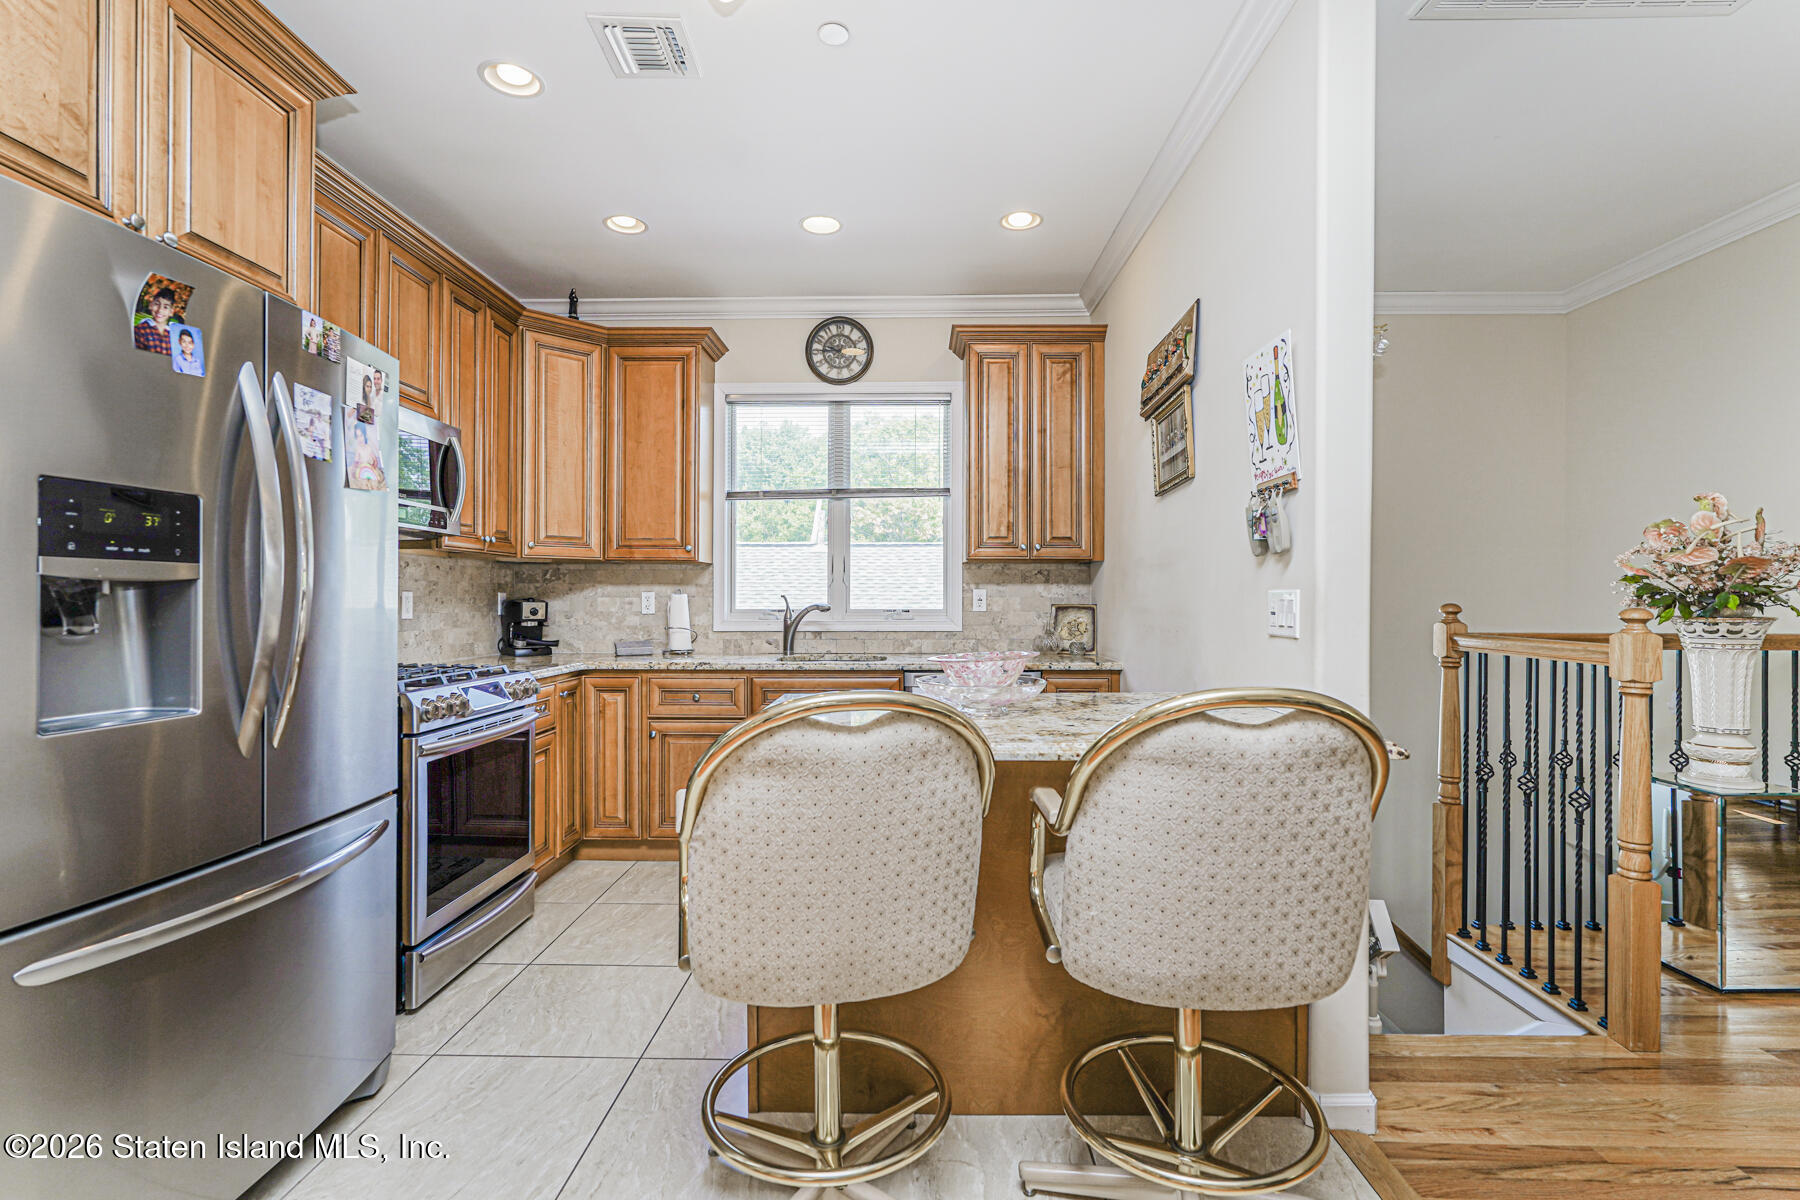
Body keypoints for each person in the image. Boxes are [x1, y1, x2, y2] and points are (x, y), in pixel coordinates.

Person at [135, 287, 177, 354]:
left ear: (171, 312)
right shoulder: (140, 330)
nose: (160, 310)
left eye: (165, 307)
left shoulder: (173, 336)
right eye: (157, 304)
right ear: (150, 305)